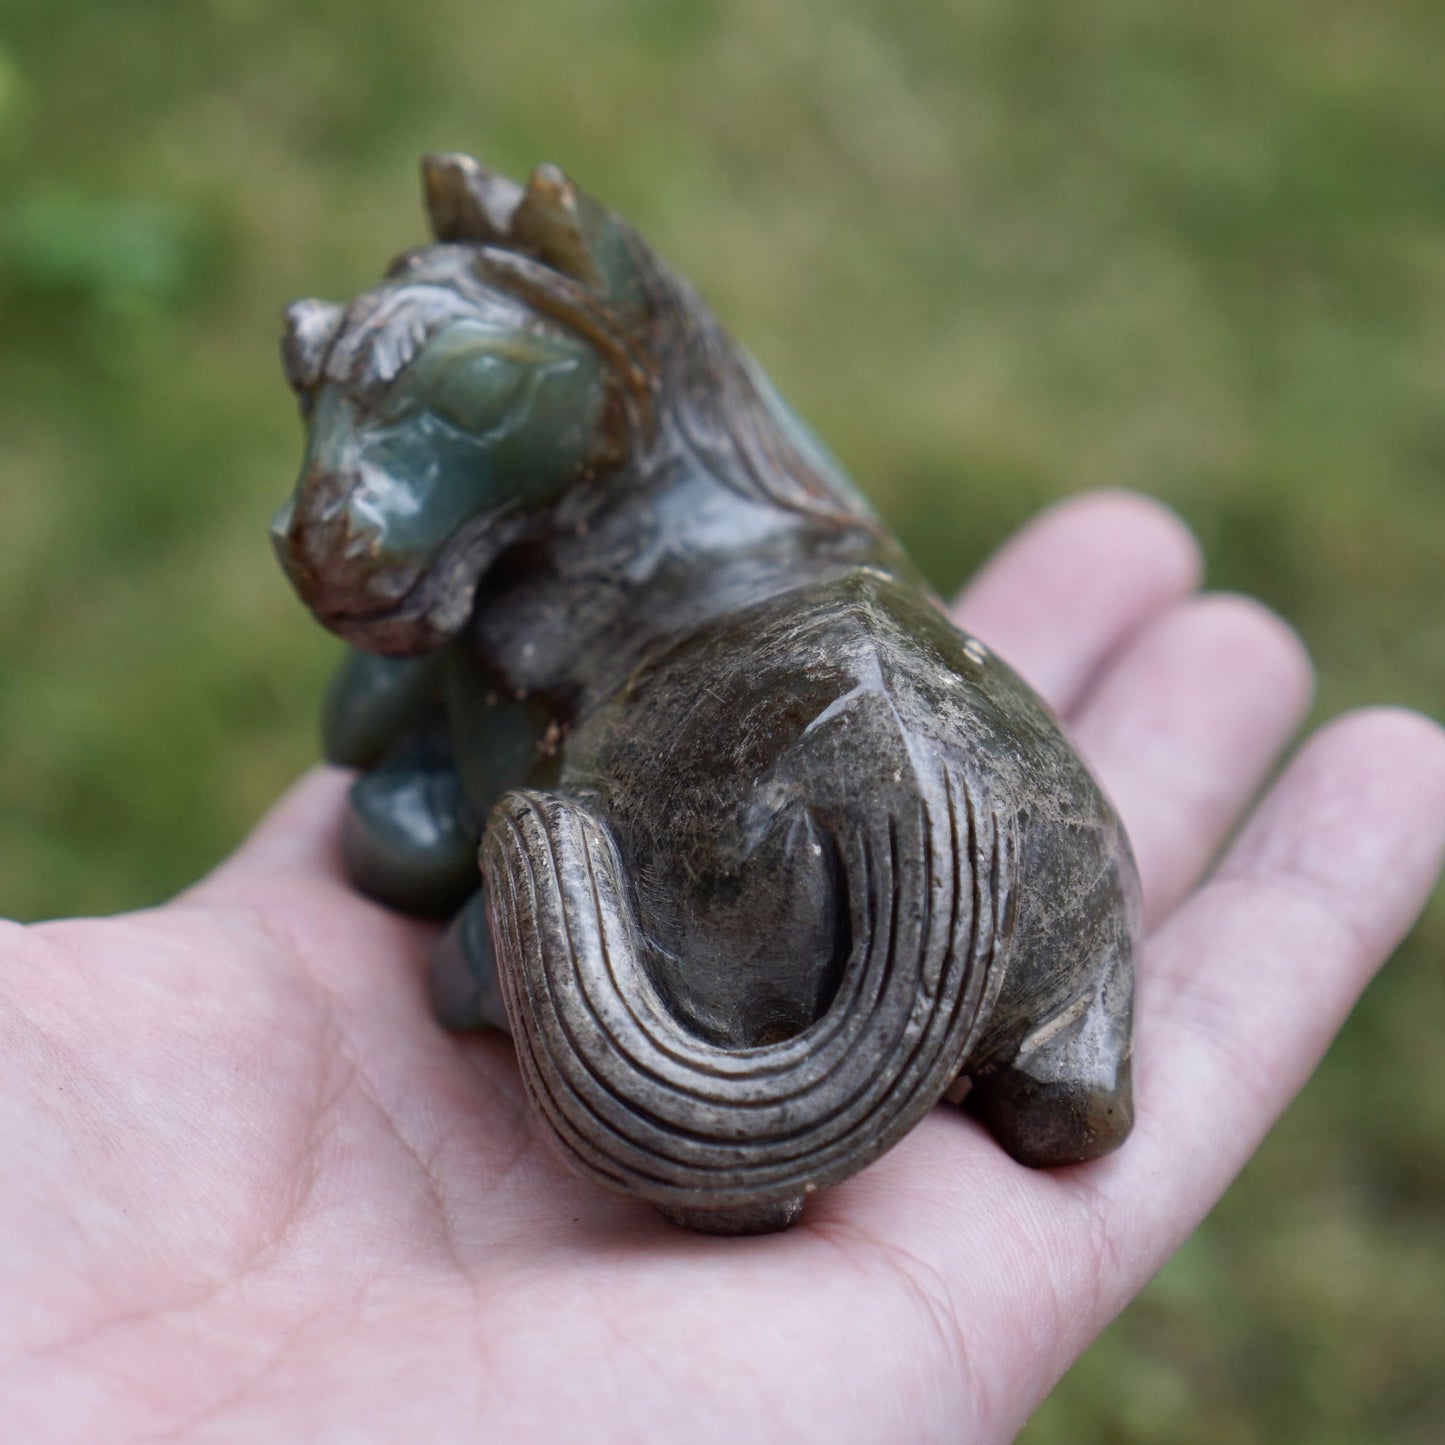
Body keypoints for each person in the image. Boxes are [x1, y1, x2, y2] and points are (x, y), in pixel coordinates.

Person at [2, 490, 1441, 1443]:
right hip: (998, 889)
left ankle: (1001, 1020)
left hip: (797, 887)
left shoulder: (595, 747)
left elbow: (533, 854)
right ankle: (1056, 1031)